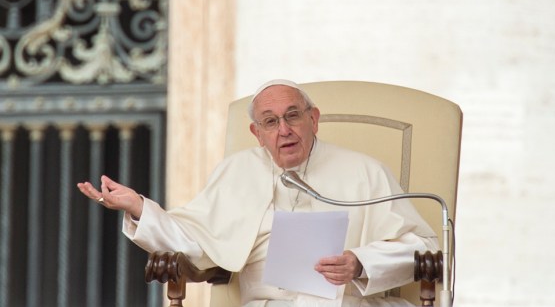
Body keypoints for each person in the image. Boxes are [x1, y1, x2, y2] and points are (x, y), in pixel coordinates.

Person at [77, 79, 438, 307]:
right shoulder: (236, 172)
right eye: (270, 122)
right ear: (257, 133)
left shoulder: (365, 171)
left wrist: (360, 262)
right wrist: (139, 206)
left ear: (313, 120)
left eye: (293, 116)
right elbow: (192, 239)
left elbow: (423, 246)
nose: (284, 130)